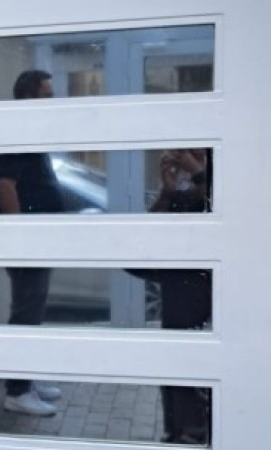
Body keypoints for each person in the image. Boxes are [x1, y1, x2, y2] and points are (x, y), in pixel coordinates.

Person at [0, 70, 65, 416]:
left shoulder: (31, 132)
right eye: (47, 95)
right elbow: (6, 187)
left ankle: (27, 379)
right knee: (25, 311)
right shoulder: (15, 132)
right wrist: (21, 236)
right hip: (26, 239)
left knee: (33, 308)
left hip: (40, 237)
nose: (52, 102)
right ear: (28, 97)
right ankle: (17, 392)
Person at [127, 148, 212, 444]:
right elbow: (154, 231)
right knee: (174, 358)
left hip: (207, 288)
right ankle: (175, 430)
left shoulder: (223, 173)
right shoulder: (187, 185)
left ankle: (194, 431)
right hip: (178, 286)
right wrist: (167, 189)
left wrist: (199, 172)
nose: (185, 154)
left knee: (193, 360)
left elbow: (229, 214)